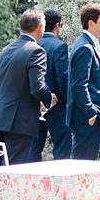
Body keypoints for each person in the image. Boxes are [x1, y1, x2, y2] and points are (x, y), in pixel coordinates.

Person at [0, 11, 55, 165]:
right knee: (15, 170)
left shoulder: (4, 51)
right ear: (41, 28)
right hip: (19, 121)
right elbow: (37, 87)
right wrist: (49, 99)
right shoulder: (36, 50)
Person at [67, 4, 100, 161]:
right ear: (91, 23)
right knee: (83, 162)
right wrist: (91, 112)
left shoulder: (90, 43)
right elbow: (79, 85)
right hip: (86, 116)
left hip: (91, 114)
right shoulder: (85, 47)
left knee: (87, 160)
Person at [32, 10, 70, 164]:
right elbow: (63, 76)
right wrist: (67, 99)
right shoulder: (59, 46)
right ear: (57, 26)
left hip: (35, 104)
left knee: (34, 148)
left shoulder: (33, 45)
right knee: (62, 146)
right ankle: (60, 184)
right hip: (57, 104)